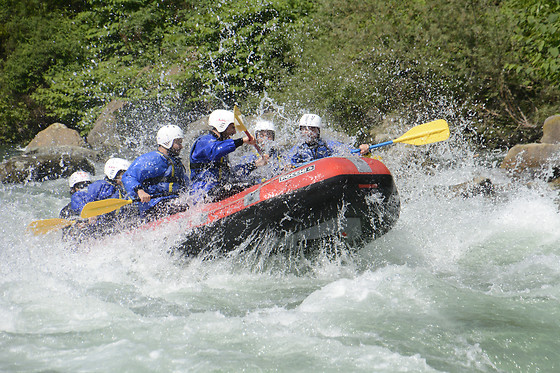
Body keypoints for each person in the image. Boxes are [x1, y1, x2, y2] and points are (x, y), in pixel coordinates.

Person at [189, 109, 269, 201]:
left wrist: (255, 164)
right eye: (232, 128)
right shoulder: (204, 141)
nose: (234, 132)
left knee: (252, 181)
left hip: (217, 189)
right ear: (222, 126)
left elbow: (231, 174)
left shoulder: (220, 144)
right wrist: (242, 141)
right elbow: (216, 150)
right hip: (203, 192)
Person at [122, 124, 190, 220]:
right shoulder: (153, 159)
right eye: (178, 142)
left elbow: (187, 185)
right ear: (168, 142)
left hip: (171, 202)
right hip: (154, 206)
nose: (181, 146)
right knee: (181, 208)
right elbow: (128, 176)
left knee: (188, 205)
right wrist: (140, 191)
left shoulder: (175, 162)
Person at [286, 114, 371, 167]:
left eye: (312, 129)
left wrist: (364, 150)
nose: (308, 132)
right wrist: (287, 167)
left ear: (318, 131)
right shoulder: (298, 149)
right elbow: (286, 162)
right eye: (304, 129)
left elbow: (350, 152)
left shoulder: (328, 144)